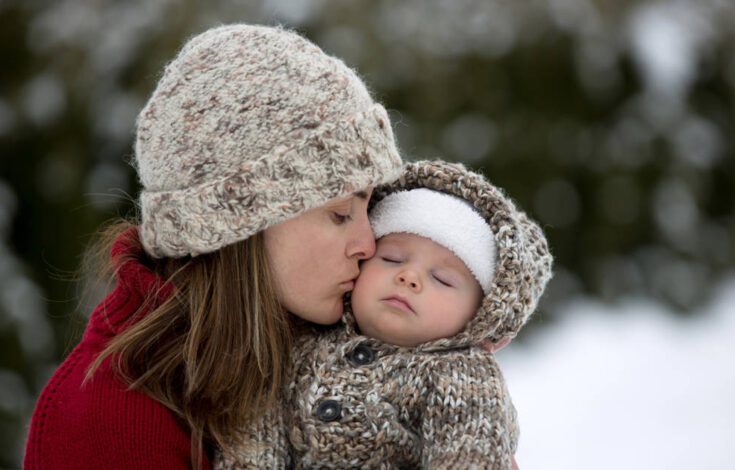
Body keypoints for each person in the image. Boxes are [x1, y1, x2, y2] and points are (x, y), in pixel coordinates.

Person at [24, 24, 403, 469]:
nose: (366, 243)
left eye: (369, 209)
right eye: (340, 214)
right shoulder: (111, 422)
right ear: (239, 223)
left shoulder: (337, 357)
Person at [215, 160, 553, 469]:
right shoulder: (298, 345)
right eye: (391, 259)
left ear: (478, 317)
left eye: (442, 279)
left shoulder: (460, 373)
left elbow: (471, 449)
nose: (409, 278)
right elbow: (254, 438)